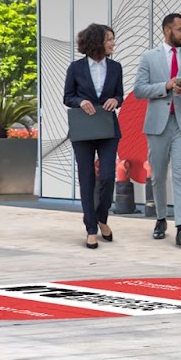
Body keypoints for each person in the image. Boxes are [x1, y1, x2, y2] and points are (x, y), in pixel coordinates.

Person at [135, 13, 181, 247]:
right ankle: (161, 218)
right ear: (167, 30)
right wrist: (165, 86)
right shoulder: (148, 58)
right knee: (158, 176)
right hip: (157, 125)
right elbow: (139, 90)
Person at [62, 23, 123, 250]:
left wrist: (116, 100)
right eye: (109, 39)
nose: (112, 43)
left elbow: (120, 94)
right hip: (84, 129)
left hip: (108, 128)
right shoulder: (76, 68)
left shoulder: (116, 67)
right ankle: (91, 228)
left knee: (107, 176)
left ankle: (102, 217)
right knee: (86, 177)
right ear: (97, 41)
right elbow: (67, 97)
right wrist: (81, 101)